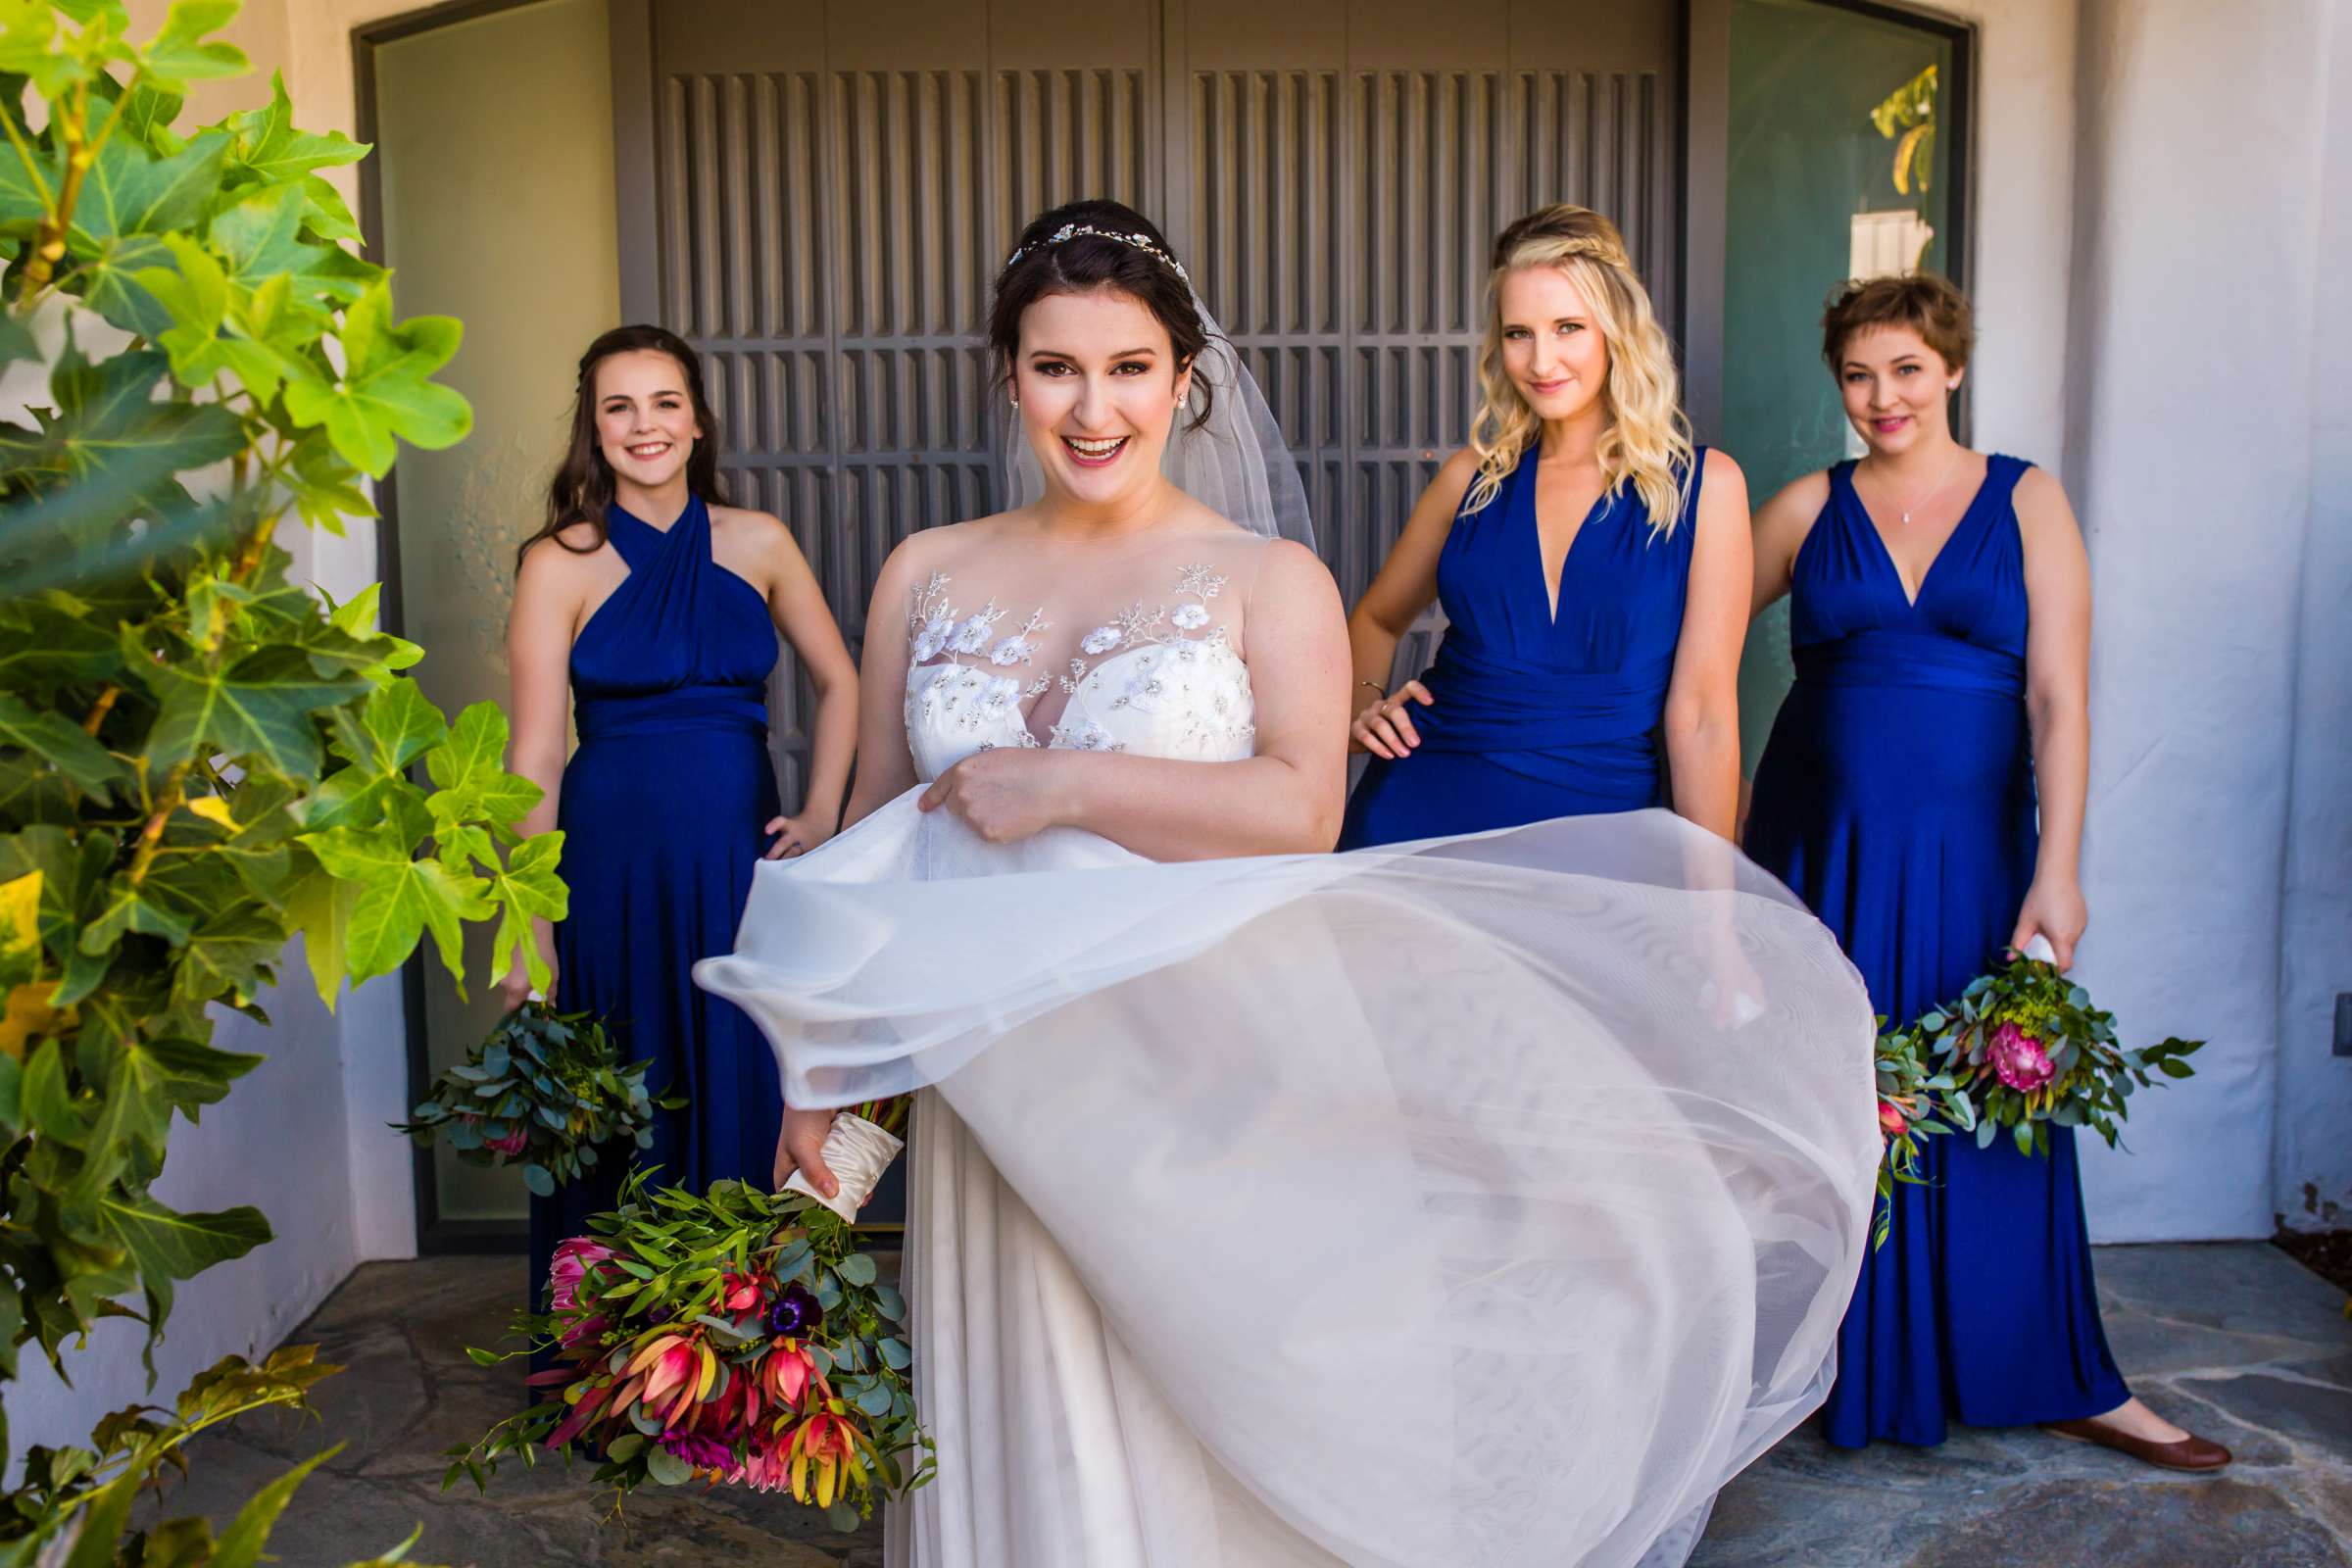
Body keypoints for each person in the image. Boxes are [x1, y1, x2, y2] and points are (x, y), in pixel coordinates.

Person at [696, 200, 1882, 1566]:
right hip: (991, 1095)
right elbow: (887, 850)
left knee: (1218, 1403)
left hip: (1194, 1077)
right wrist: (828, 1069)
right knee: (1016, 1420)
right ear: (1007, 375)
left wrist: (1063, 784)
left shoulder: (1266, 576)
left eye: (1130, 367)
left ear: (1184, 380)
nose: (1094, 407)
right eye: (1056, 368)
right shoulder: (924, 573)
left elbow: (1303, 811)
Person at [1743, 273, 2229, 1470]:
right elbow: (1686, 646)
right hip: (1822, 849)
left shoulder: (2026, 501)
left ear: (1951, 368)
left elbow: (2060, 697)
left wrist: (2058, 872)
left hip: (1975, 855)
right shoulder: (1808, 505)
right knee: (1837, 1102)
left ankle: (2060, 1371)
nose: (1881, 397)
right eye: (1858, 376)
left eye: (1906, 369)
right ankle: (1828, 1368)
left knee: (1999, 1100)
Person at [504, 323, 858, 1323]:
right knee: (622, 1090)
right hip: (607, 865)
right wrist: (528, 922)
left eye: (664, 402)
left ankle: (730, 1358)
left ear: (697, 420)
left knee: (741, 1075)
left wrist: (824, 808)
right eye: (619, 406)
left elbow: (841, 682)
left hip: (735, 859)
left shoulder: (761, 541)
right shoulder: (555, 562)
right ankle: (618, 1365)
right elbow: (531, 756)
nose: (644, 425)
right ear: (595, 428)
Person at [1339, 205, 1746, 849]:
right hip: (1419, 812)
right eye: (1518, 333)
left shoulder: (1705, 488)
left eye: (1567, 328)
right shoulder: (1471, 479)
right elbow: (1376, 619)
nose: (1541, 360)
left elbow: (1703, 718)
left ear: (1616, 331)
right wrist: (1361, 706)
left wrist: (1711, 900)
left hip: (1604, 831)